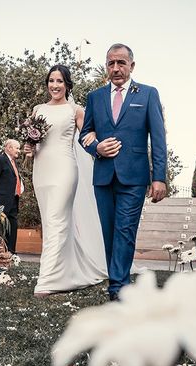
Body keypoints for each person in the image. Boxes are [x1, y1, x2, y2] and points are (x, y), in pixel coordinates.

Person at [80, 43, 167, 301]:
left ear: (132, 65)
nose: (116, 68)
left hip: (134, 177)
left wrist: (159, 177)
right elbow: (84, 134)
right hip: (103, 176)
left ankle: (118, 287)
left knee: (125, 230)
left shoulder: (148, 94)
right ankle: (119, 280)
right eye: (111, 63)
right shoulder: (94, 97)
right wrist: (97, 147)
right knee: (109, 231)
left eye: (121, 63)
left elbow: (159, 138)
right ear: (106, 66)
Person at [24, 65, 107, 297]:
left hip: (64, 169)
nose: (55, 85)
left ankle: (47, 280)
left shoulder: (75, 109)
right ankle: (68, 271)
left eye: (60, 81)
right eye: (51, 81)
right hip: (41, 170)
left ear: (67, 84)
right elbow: (34, 142)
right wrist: (29, 147)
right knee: (51, 223)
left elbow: (88, 137)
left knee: (57, 220)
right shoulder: (38, 109)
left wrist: (100, 146)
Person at [0, 139, 23, 253]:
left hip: (13, 199)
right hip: (1, 201)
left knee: (12, 225)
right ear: (9, 148)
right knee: (0, 227)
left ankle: (11, 252)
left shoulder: (13, 161)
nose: (19, 151)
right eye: (17, 148)